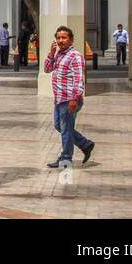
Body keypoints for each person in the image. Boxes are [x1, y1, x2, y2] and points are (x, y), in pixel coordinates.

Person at [44, 25, 94, 168]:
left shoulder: (75, 56)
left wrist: (74, 99)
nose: (61, 41)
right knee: (59, 126)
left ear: (71, 40)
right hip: (59, 98)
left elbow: (79, 79)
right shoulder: (59, 54)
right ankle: (85, 144)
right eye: (58, 38)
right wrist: (51, 54)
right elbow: (47, 69)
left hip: (69, 99)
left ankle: (65, 159)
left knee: (65, 129)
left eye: (64, 37)